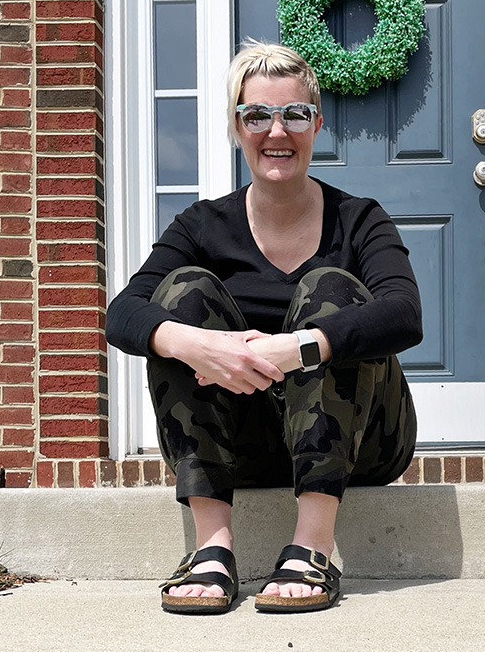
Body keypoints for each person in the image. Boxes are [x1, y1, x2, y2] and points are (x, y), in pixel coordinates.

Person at [105, 41, 422, 615]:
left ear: (317, 124)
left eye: (294, 114)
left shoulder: (359, 218)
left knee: (331, 288)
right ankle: (212, 546)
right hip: (243, 444)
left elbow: (404, 312)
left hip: (364, 443)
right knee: (181, 296)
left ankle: (313, 543)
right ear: (237, 126)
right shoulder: (202, 224)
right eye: (258, 115)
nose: (277, 131)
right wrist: (199, 345)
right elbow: (124, 311)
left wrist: (295, 348)